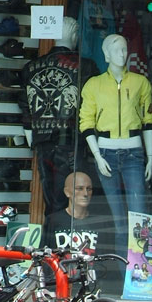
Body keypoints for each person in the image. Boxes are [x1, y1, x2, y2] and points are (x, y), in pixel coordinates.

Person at [79, 34, 152, 246]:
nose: (121, 54)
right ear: (106, 54)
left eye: (124, 49)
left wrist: (149, 157)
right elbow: (86, 122)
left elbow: (148, 121)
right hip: (106, 152)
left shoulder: (140, 82)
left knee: (139, 214)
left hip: (134, 152)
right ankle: (122, 265)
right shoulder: (94, 85)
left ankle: (139, 264)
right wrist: (97, 156)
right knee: (118, 217)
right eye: (116, 50)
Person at [20, 17, 98, 213]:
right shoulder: (86, 66)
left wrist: (32, 137)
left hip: (43, 141)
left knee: (51, 194)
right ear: (75, 35)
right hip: (72, 140)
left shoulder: (30, 67)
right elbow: (92, 106)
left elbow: (25, 106)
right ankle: (64, 229)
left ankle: (52, 228)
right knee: (75, 196)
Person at [42, 170, 115, 257]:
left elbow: (107, 259)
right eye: (79, 188)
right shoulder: (54, 220)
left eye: (89, 189)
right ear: (67, 192)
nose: (85, 193)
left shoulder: (100, 223)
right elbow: (44, 256)